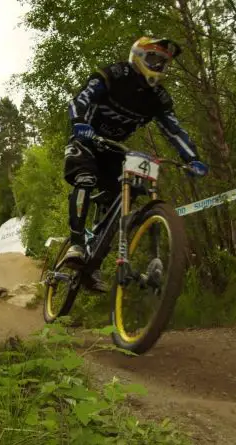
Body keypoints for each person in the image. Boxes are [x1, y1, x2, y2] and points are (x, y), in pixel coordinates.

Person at [61, 36, 209, 291]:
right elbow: (79, 100)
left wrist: (192, 158)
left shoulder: (158, 97)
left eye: (164, 63)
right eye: (154, 59)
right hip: (87, 138)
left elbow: (174, 130)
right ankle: (76, 244)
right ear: (138, 56)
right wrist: (79, 123)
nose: (159, 66)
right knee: (85, 178)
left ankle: (94, 263)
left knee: (128, 199)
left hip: (115, 150)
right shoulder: (115, 74)